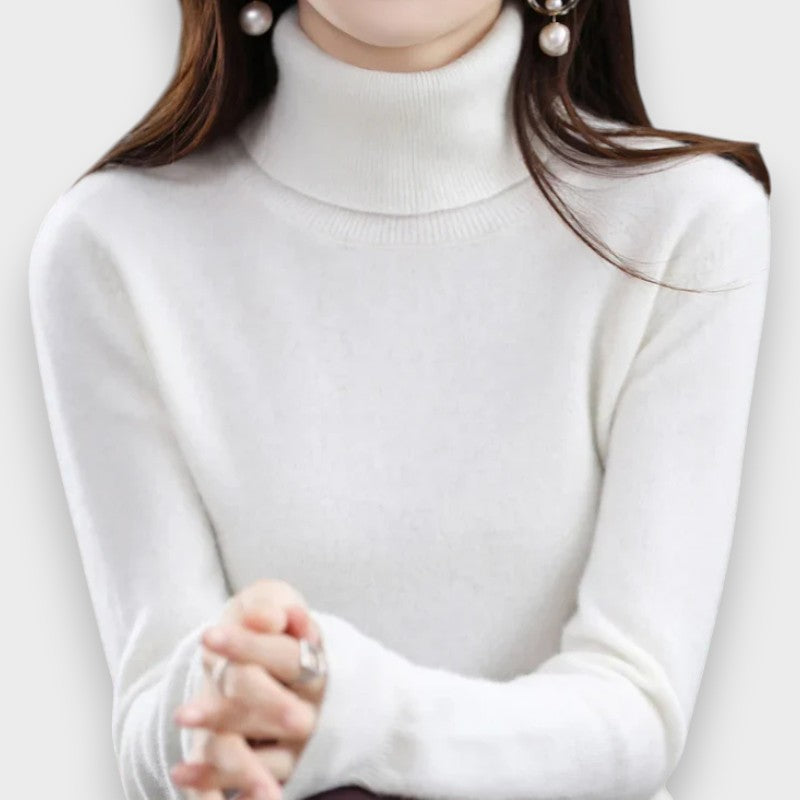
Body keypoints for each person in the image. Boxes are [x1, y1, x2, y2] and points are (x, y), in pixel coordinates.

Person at [27, 1, 772, 799]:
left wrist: (362, 716)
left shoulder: (686, 224)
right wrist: (220, 700)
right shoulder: (110, 246)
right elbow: (154, 720)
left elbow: (636, 708)